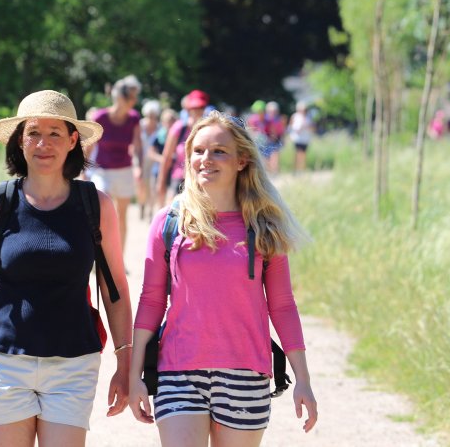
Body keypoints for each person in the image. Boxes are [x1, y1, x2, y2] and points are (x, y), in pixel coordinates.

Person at [0, 90, 133, 447]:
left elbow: (115, 289)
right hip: (4, 361)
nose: (43, 143)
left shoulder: (95, 205)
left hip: (73, 364)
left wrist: (125, 364)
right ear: (20, 141)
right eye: (34, 132)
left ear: (72, 141)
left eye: (55, 133)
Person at [129, 111, 318, 446]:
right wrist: (134, 375)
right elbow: (151, 300)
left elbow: (283, 306)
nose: (206, 159)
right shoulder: (169, 222)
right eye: (198, 151)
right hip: (178, 371)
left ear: (241, 160)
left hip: (245, 372)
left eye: (219, 151)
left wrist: (302, 378)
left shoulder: (264, 228)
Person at [88, 75, 143, 250]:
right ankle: (98, 256)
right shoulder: (100, 117)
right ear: (120, 97)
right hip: (102, 171)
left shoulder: (134, 118)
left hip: (124, 171)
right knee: (102, 213)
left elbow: (137, 147)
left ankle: (119, 259)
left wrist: (138, 167)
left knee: (122, 216)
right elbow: (88, 147)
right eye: (131, 97)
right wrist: (83, 170)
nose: (134, 101)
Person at [155, 89, 209, 204]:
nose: (197, 112)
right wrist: (161, 182)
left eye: (200, 108)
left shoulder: (209, 130)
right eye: (194, 108)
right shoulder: (179, 128)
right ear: (189, 110)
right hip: (179, 180)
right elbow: (166, 157)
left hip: (201, 181)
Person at [148, 108, 178, 211]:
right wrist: (163, 159)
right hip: (159, 169)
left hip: (174, 169)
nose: (169, 124)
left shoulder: (179, 135)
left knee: (171, 193)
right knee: (159, 192)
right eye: (167, 121)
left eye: (172, 121)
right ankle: (159, 212)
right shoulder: (158, 136)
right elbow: (151, 153)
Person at [137, 99, 162, 220]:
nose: (151, 118)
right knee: (141, 185)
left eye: (153, 115)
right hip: (141, 159)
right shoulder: (140, 125)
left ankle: (151, 210)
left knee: (152, 186)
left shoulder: (159, 127)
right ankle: (142, 206)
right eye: (149, 115)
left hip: (154, 161)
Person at [288, 102, 313, 173]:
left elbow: (313, 127)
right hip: (297, 139)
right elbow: (290, 127)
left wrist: (308, 127)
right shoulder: (294, 116)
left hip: (305, 139)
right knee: (297, 154)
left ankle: (302, 170)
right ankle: (296, 170)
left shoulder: (308, 117)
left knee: (304, 155)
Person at [264, 101, 286, 174]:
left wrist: (282, 139)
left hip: (276, 140)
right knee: (266, 157)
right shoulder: (265, 119)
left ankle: (275, 172)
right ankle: (269, 172)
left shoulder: (278, 119)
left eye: (274, 111)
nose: (273, 112)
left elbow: (281, 130)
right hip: (266, 140)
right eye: (271, 111)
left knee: (275, 155)